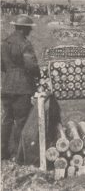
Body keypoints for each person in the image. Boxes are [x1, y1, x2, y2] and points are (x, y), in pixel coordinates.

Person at [1, 15, 40, 160]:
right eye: (29, 28)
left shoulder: (4, 42)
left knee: (6, 119)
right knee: (21, 120)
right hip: (22, 87)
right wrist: (38, 74)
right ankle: (18, 155)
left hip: (6, 86)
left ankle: (2, 152)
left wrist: (11, 73)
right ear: (24, 29)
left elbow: (2, 65)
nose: (30, 30)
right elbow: (31, 66)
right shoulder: (25, 44)